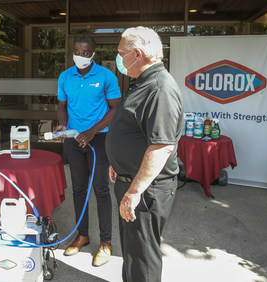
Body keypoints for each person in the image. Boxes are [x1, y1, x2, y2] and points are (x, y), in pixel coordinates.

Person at [105, 27, 183, 281]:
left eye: (120, 53)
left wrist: (134, 191)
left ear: (137, 54)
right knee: (132, 253)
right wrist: (118, 162)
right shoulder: (143, 82)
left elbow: (161, 147)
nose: (118, 59)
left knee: (143, 259)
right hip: (130, 180)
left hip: (146, 191)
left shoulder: (160, 89)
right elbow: (136, 131)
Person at [55, 35, 121, 266]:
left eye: (85, 53)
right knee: (79, 190)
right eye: (76, 52)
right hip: (74, 140)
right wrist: (63, 125)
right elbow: (62, 106)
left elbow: (115, 109)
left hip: (99, 140)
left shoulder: (106, 76)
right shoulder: (65, 76)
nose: (80, 56)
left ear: (93, 53)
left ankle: (106, 243)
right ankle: (82, 235)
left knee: (101, 190)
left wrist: (92, 131)